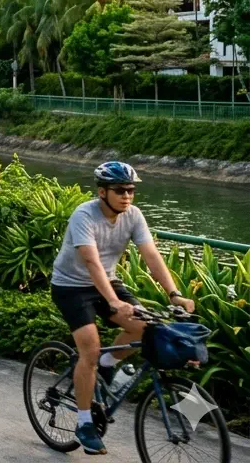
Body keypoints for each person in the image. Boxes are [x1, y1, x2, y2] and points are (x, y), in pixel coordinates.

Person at [50, 161, 195, 455]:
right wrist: (115, 303)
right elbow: (91, 262)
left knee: (147, 329)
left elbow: (151, 255)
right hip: (71, 287)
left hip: (108, 282)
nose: (127, 195)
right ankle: (84, 421)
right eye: (120, 190)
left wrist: (174, 294)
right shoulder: (84, 215)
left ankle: (106, 366)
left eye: (131, 190)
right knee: (90, 348)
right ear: (102, 192)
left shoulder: (134, 215)